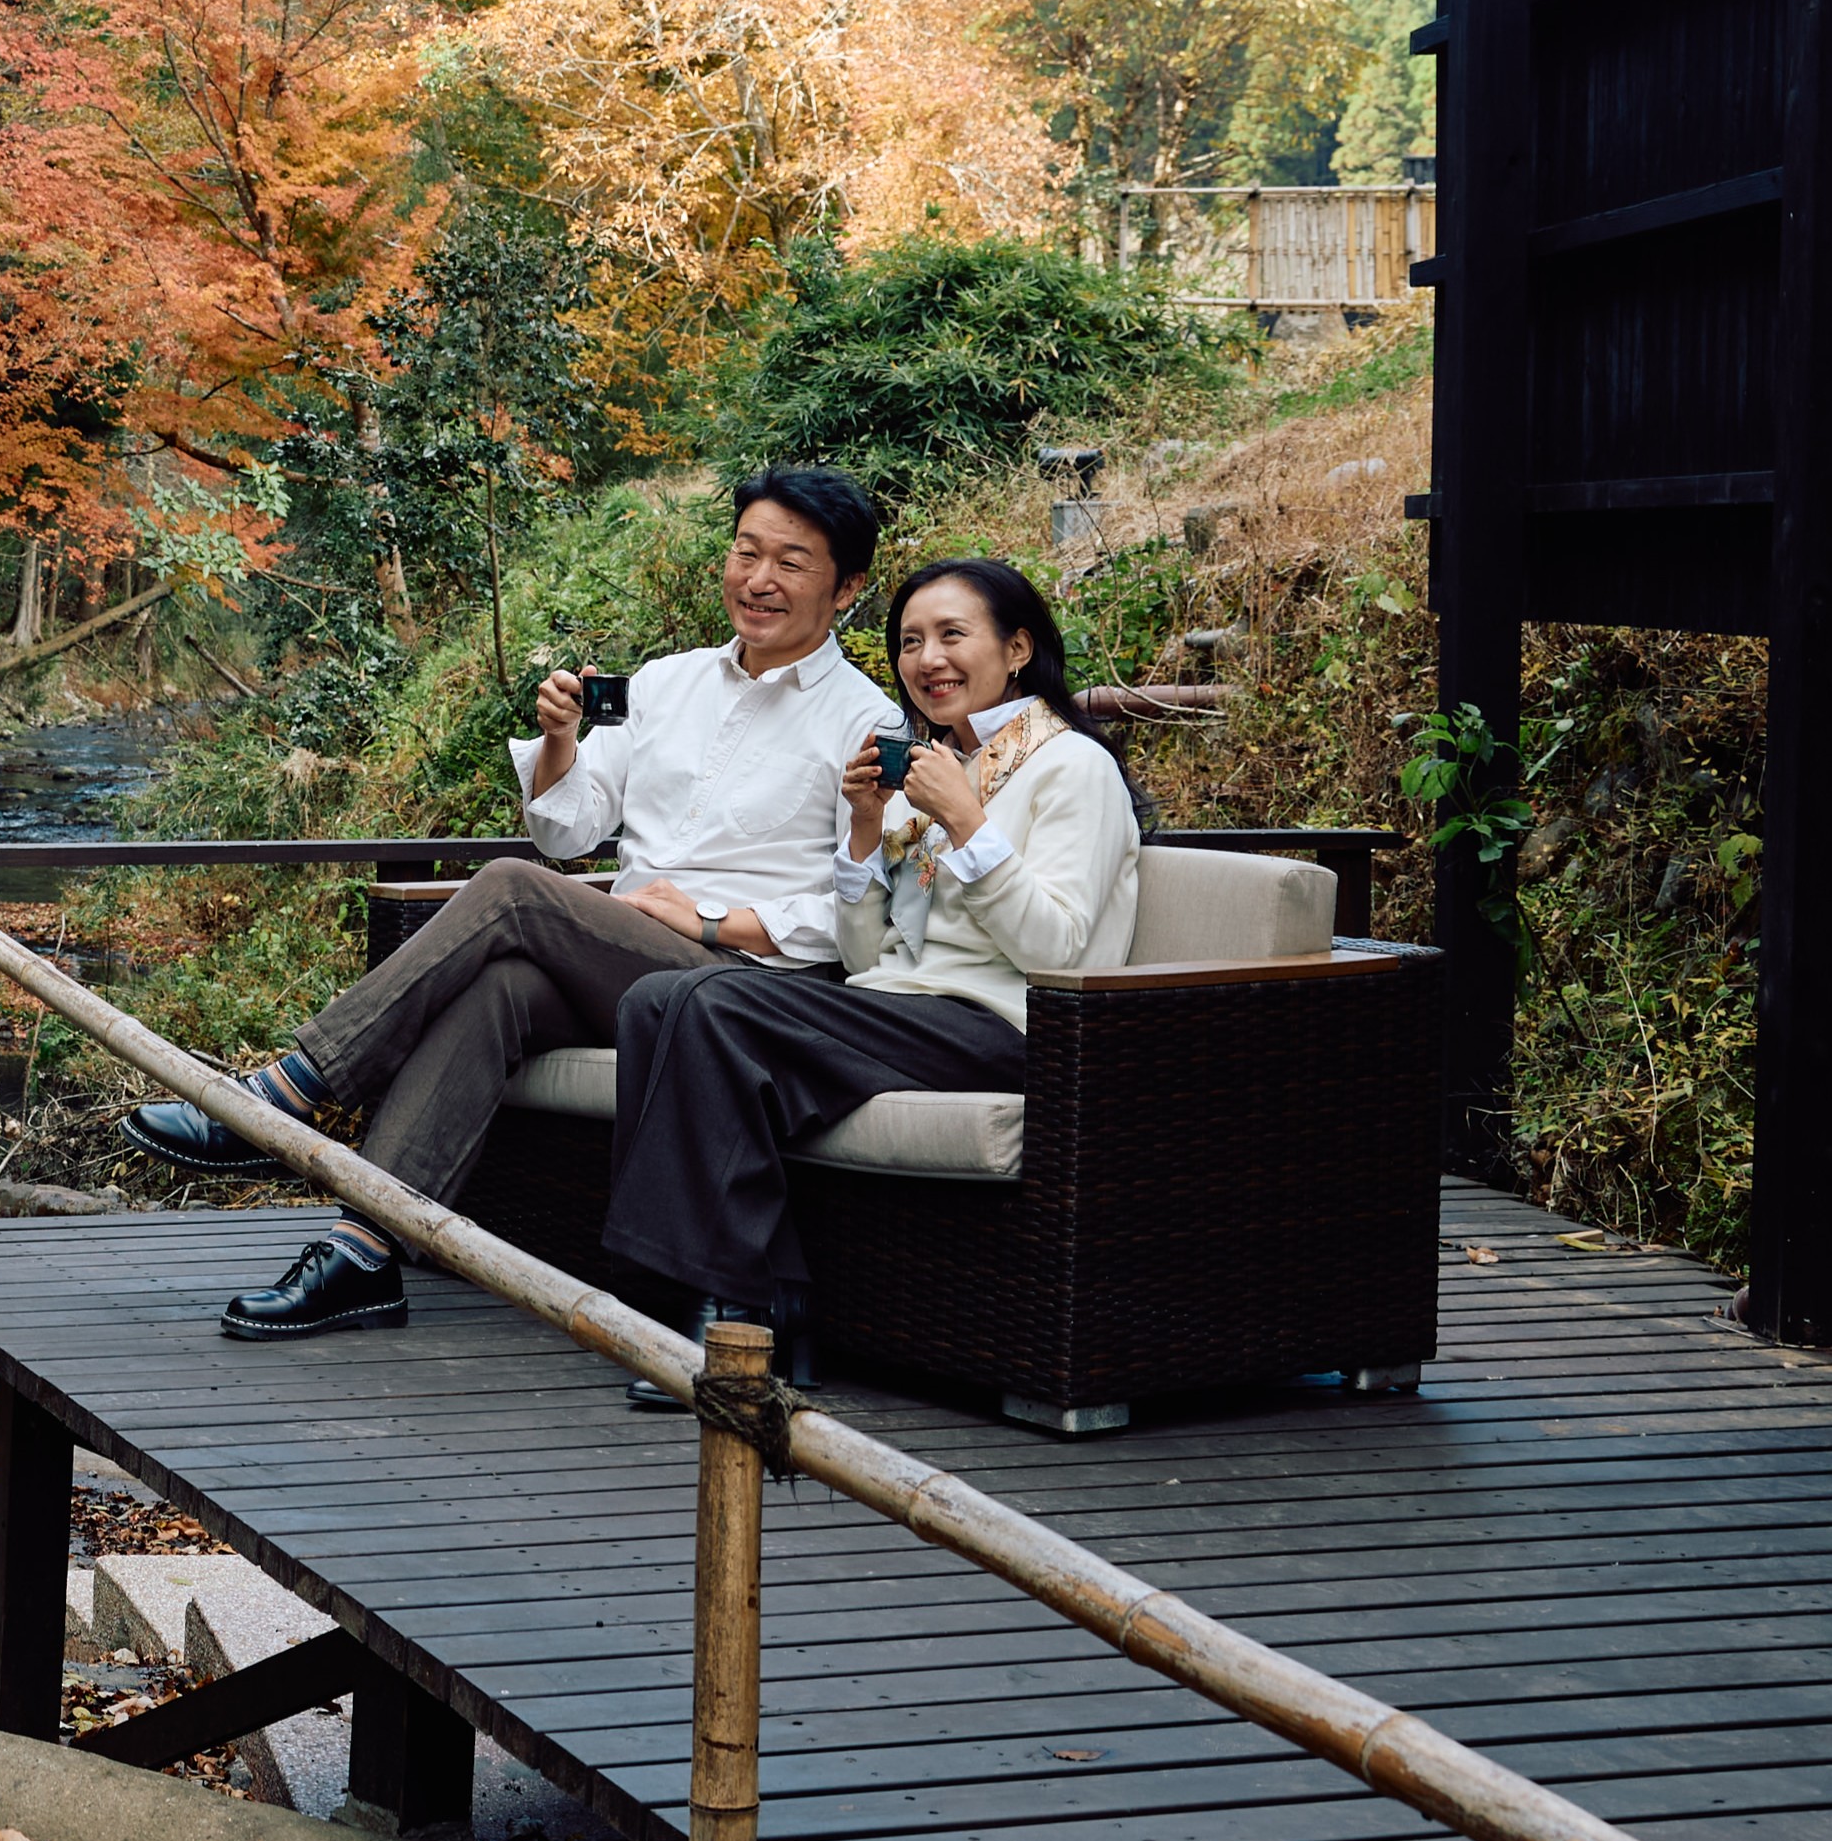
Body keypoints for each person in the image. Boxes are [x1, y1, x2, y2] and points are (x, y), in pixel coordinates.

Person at [125, 468, 901, 1341]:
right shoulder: (667, 683)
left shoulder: (866, 723)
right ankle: (363, 1252)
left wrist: (710, 921)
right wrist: (562, 743)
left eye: (791, 562)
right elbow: (568, 833)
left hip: (742, 986)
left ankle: (286, 1092)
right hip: (626, 967)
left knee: (506, 888)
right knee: (502, 987)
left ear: (847, 588)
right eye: (747, 551)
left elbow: (863, 911)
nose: (759, 579)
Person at [596, 555, 1140, 1353]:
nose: (928, 660)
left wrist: (968, 825)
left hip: (1007, 1026)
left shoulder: (1072, 766)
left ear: (1018, 647)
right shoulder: (935, 767)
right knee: (654, 998)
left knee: (712, 1000)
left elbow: (1056, 948)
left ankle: (707, 1301)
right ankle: (761, 1300)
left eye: (953, 635)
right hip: (900, 1006)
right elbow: (863, 953)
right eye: (911, 641)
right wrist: (860, 832)